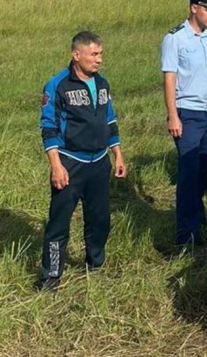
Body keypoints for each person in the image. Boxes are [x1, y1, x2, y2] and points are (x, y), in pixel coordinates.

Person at [37, 31, 126, 291]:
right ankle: (50, 277)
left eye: (101, 54)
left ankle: (95, 265)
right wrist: (56, 165)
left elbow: (110, 119)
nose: (99, 60)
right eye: (94, 54)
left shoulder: (102, 84)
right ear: (76, 55)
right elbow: (48, 127)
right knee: (59, 224)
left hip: (99, 162)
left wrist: (117, 153)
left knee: (100, 220)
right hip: (69, 163)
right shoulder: (57, 85)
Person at [161, 0, 207, 246]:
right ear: (194, 8)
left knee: (201, 169)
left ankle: (198, 222)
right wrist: (173, 116)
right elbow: (169, 78)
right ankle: (185, 236)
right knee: (188, 173)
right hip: (186, 113)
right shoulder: (175, 38)